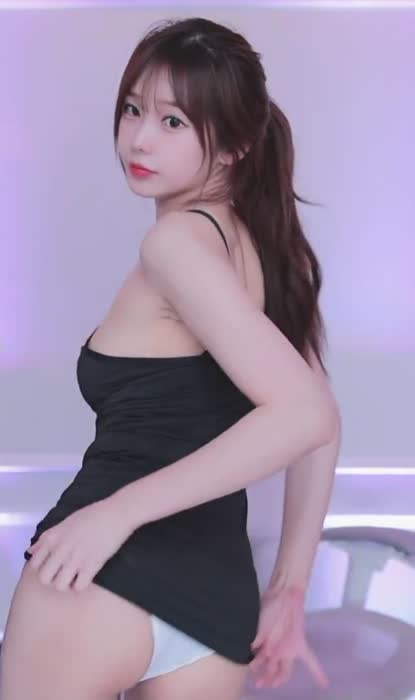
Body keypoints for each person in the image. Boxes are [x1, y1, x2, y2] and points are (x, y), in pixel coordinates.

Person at [0, 16, 341, 700]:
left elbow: (306, 415)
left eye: (173, 122)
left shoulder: (176, 245)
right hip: (217, 601)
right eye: (133, 110)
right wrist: (288, 588)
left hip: (101, 573)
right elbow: (320, 425)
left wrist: (117, 513)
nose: (139, 139)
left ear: (237, 144)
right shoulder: (269, 250)